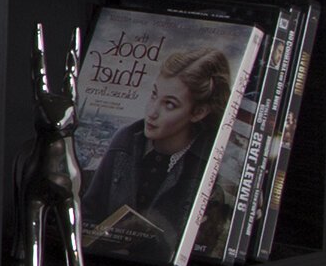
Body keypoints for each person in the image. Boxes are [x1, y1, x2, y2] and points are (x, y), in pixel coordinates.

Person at [80, 44, 233, 249]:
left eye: (169, 104)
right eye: (154, 94)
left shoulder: (211, 163)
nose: (152, 112)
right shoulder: (125, 140)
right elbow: (88, 214)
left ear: (198, 112)